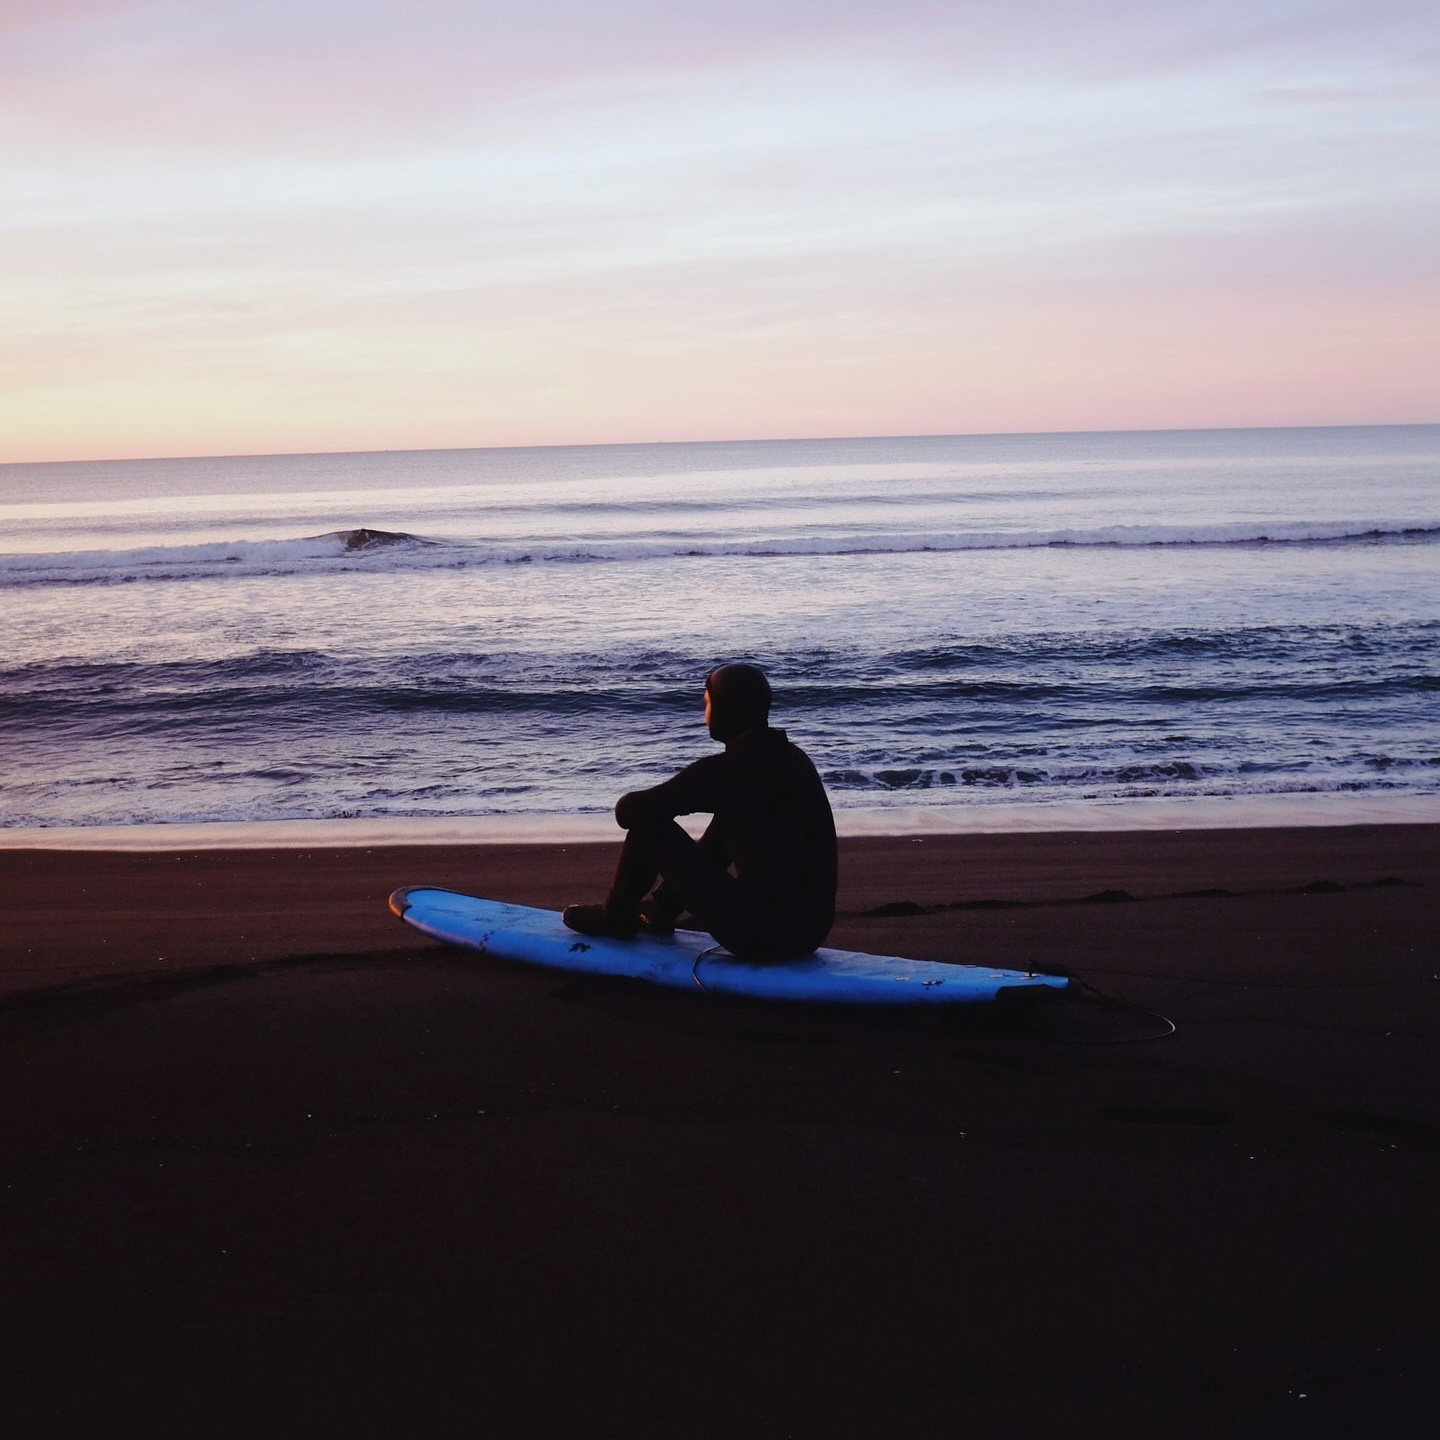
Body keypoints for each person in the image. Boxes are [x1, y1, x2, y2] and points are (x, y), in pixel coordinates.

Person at [562, 662, 837, 961]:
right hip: (810, 933)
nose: (704, 713)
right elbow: (729, 835)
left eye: (707, 703)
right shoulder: (795, 759)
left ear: (724, 710)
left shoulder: (727, 771)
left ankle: (614, 917)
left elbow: (628, 813)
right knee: (730, 821)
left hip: (762, 937)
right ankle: (663, 909)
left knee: (648, 830)